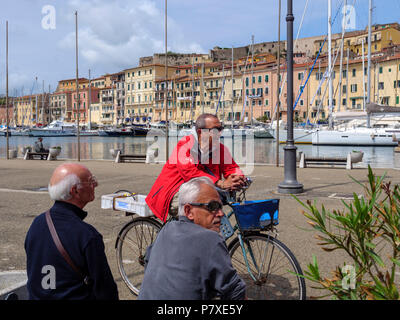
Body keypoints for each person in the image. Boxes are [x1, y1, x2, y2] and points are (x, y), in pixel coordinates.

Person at [138, 177, 246, 300]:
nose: (221, 213)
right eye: (212, 206)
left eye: (220, 207)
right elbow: (236, 292)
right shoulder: (211, 239)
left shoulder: (167, 229)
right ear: (188, 211)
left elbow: (148, 259)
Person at [24, 163, 119, 300]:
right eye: (91, 181)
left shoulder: (37, 224)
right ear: (75, 191)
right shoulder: (87, 235)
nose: (96, 184)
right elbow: (106, 290)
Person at [146, 113, 246, 222]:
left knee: (210, 210)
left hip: (200, 190)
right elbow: (190, 173)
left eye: (220, 129)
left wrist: (238, 177)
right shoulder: (185, 145)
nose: (219, 133)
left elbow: (231, 167)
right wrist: (220, 183)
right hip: (172, 192)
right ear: (200, 132)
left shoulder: (219, 148)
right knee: (201, 211)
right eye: (215, 130)